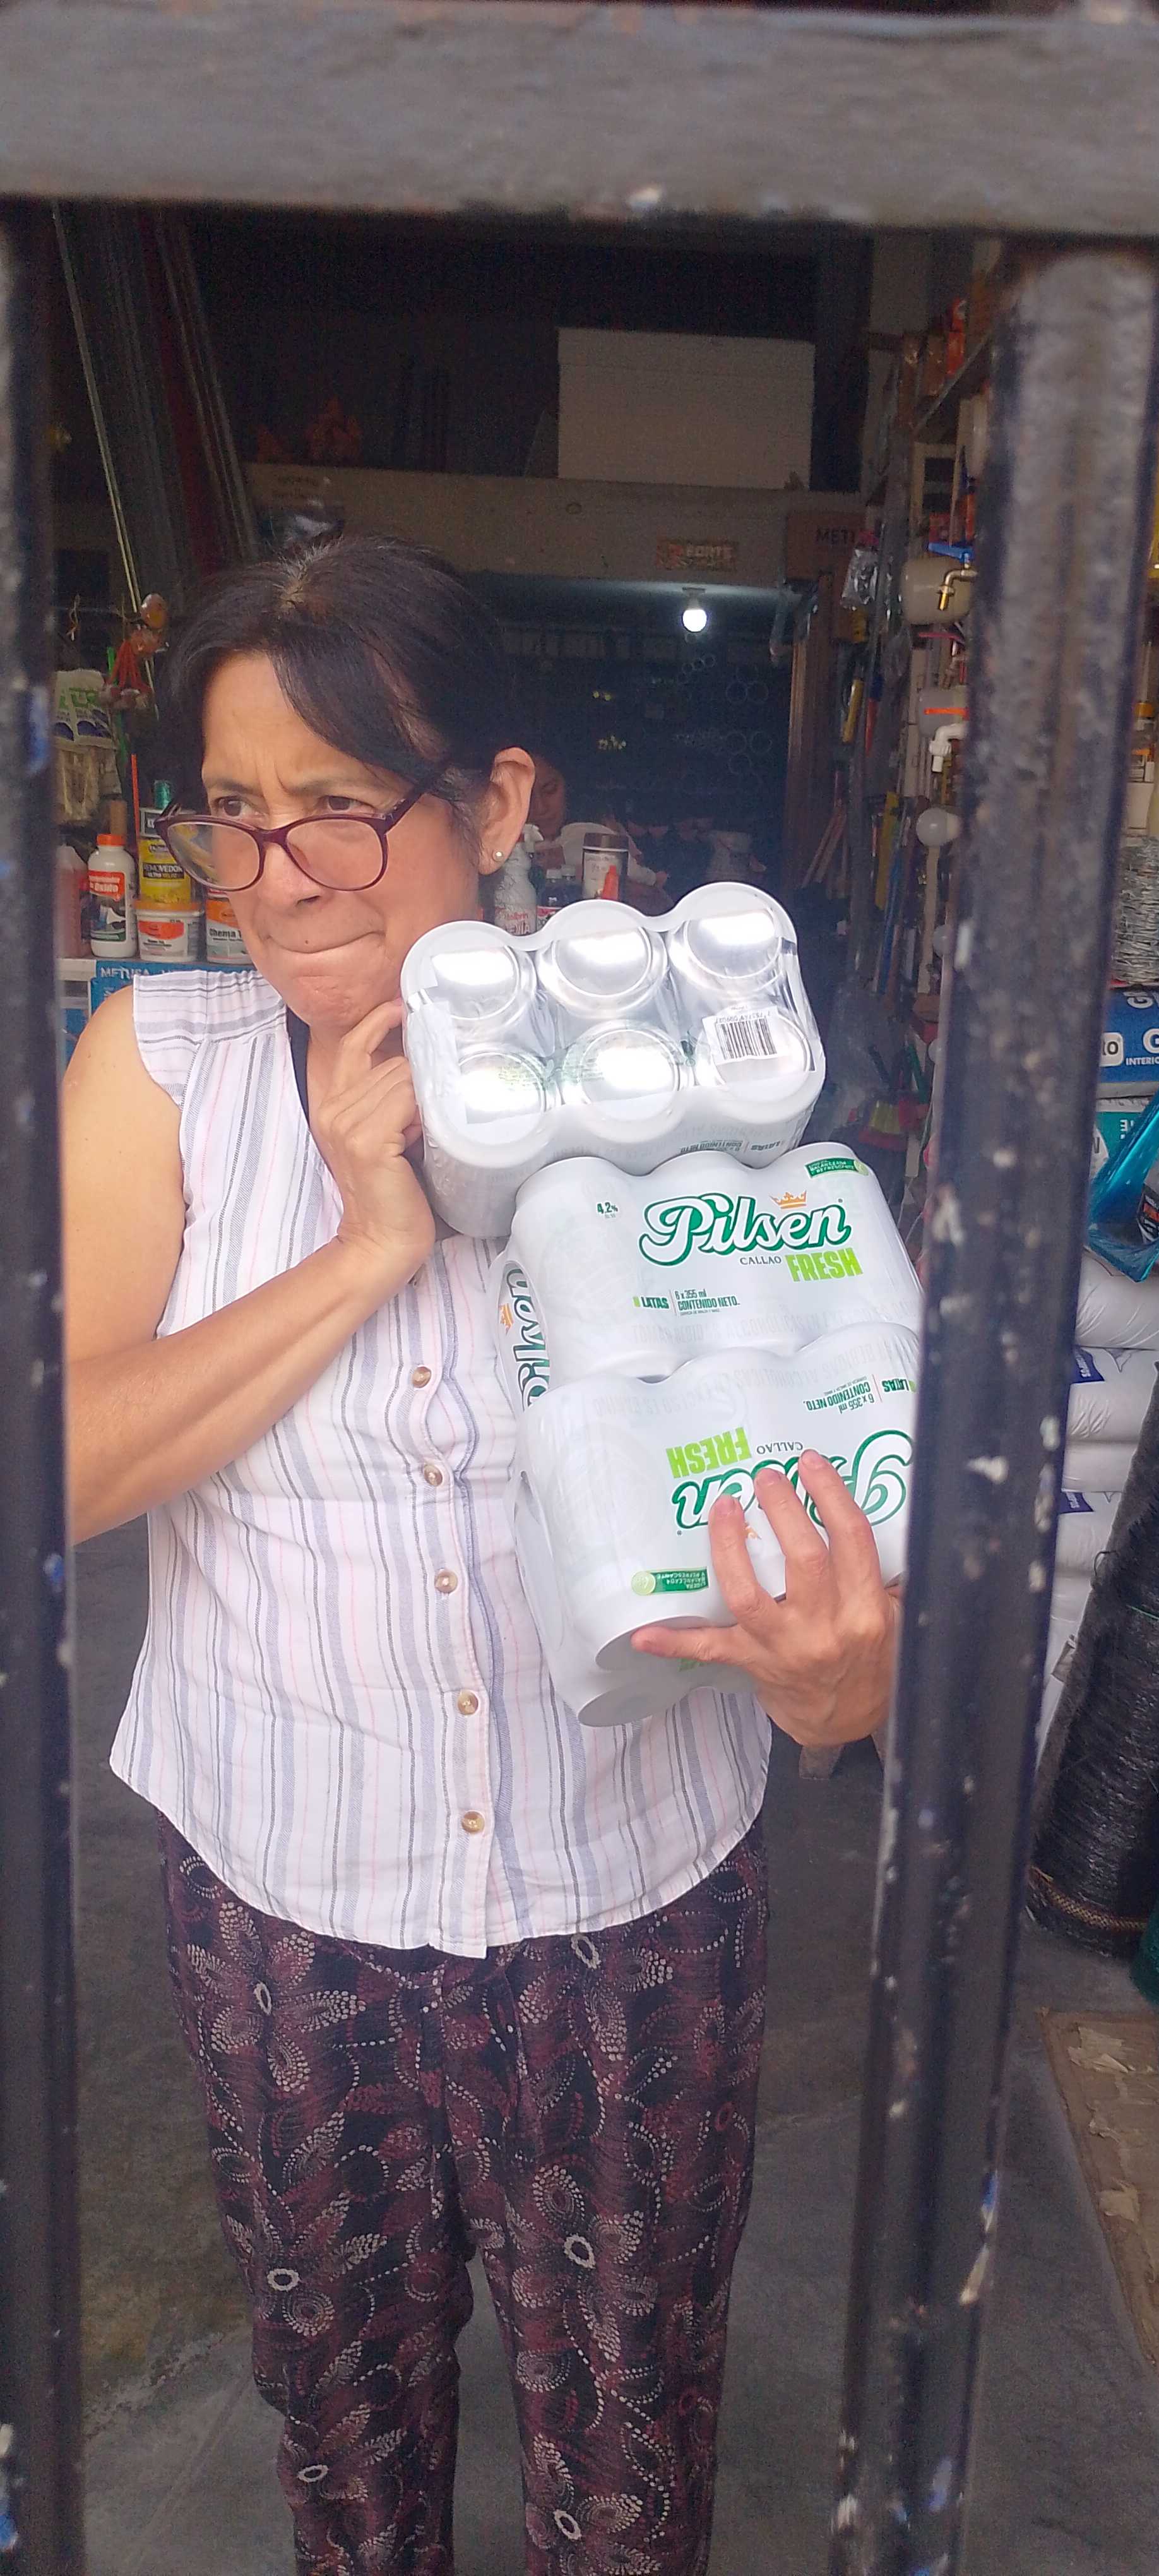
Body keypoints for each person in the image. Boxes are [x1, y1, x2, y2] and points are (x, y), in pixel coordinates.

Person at [62, 534, 897, 2576]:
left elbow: (829, 1462)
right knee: (344, 2437)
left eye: (341, 811)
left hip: (630, 1900)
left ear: (501, 801)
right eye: (235, 819)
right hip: (289, 1904)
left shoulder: (691, 1088)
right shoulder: (162, 1071)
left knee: (632, 2448)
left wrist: (842, 1690)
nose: (281, 883)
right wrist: (367, 1249)